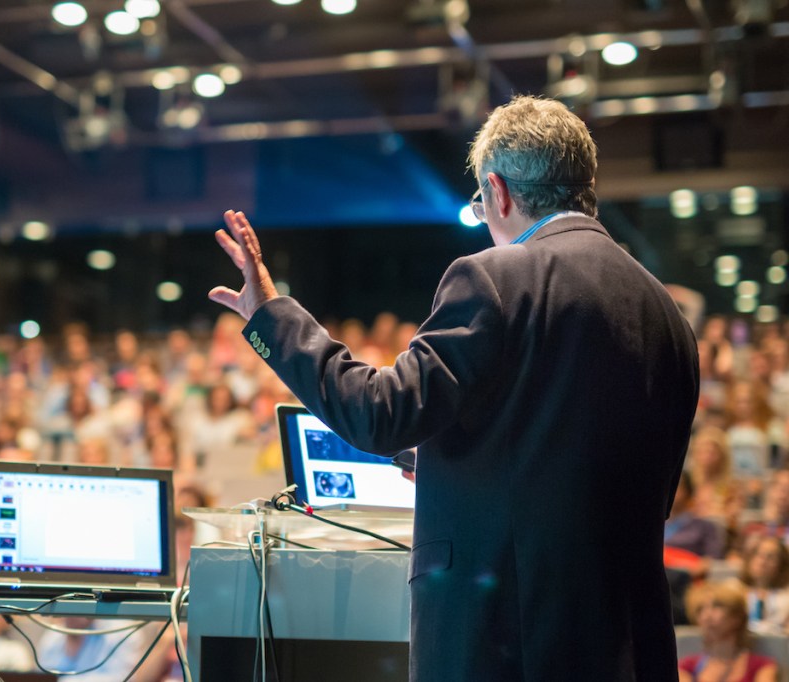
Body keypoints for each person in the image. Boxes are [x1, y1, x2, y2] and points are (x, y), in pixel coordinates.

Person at [209, 95, 700, 680]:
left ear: (497, 191)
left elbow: (378, 414)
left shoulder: (496, 275)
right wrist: (454, 460)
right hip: (629, 645)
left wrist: (271, 314)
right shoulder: (666, 312)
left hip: (504, 641)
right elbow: (601, 473)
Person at [679, 581, 778, 682]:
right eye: (700, 610)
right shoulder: (687, 666)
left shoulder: (761, 666)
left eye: (716, 606)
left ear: (737, 617)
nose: (706, 616)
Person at [738, 536, 789, 635]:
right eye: (758, 554)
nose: (762, 561)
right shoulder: (733, 590)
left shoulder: (787, 597)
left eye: (770, 557)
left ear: (781, 564)